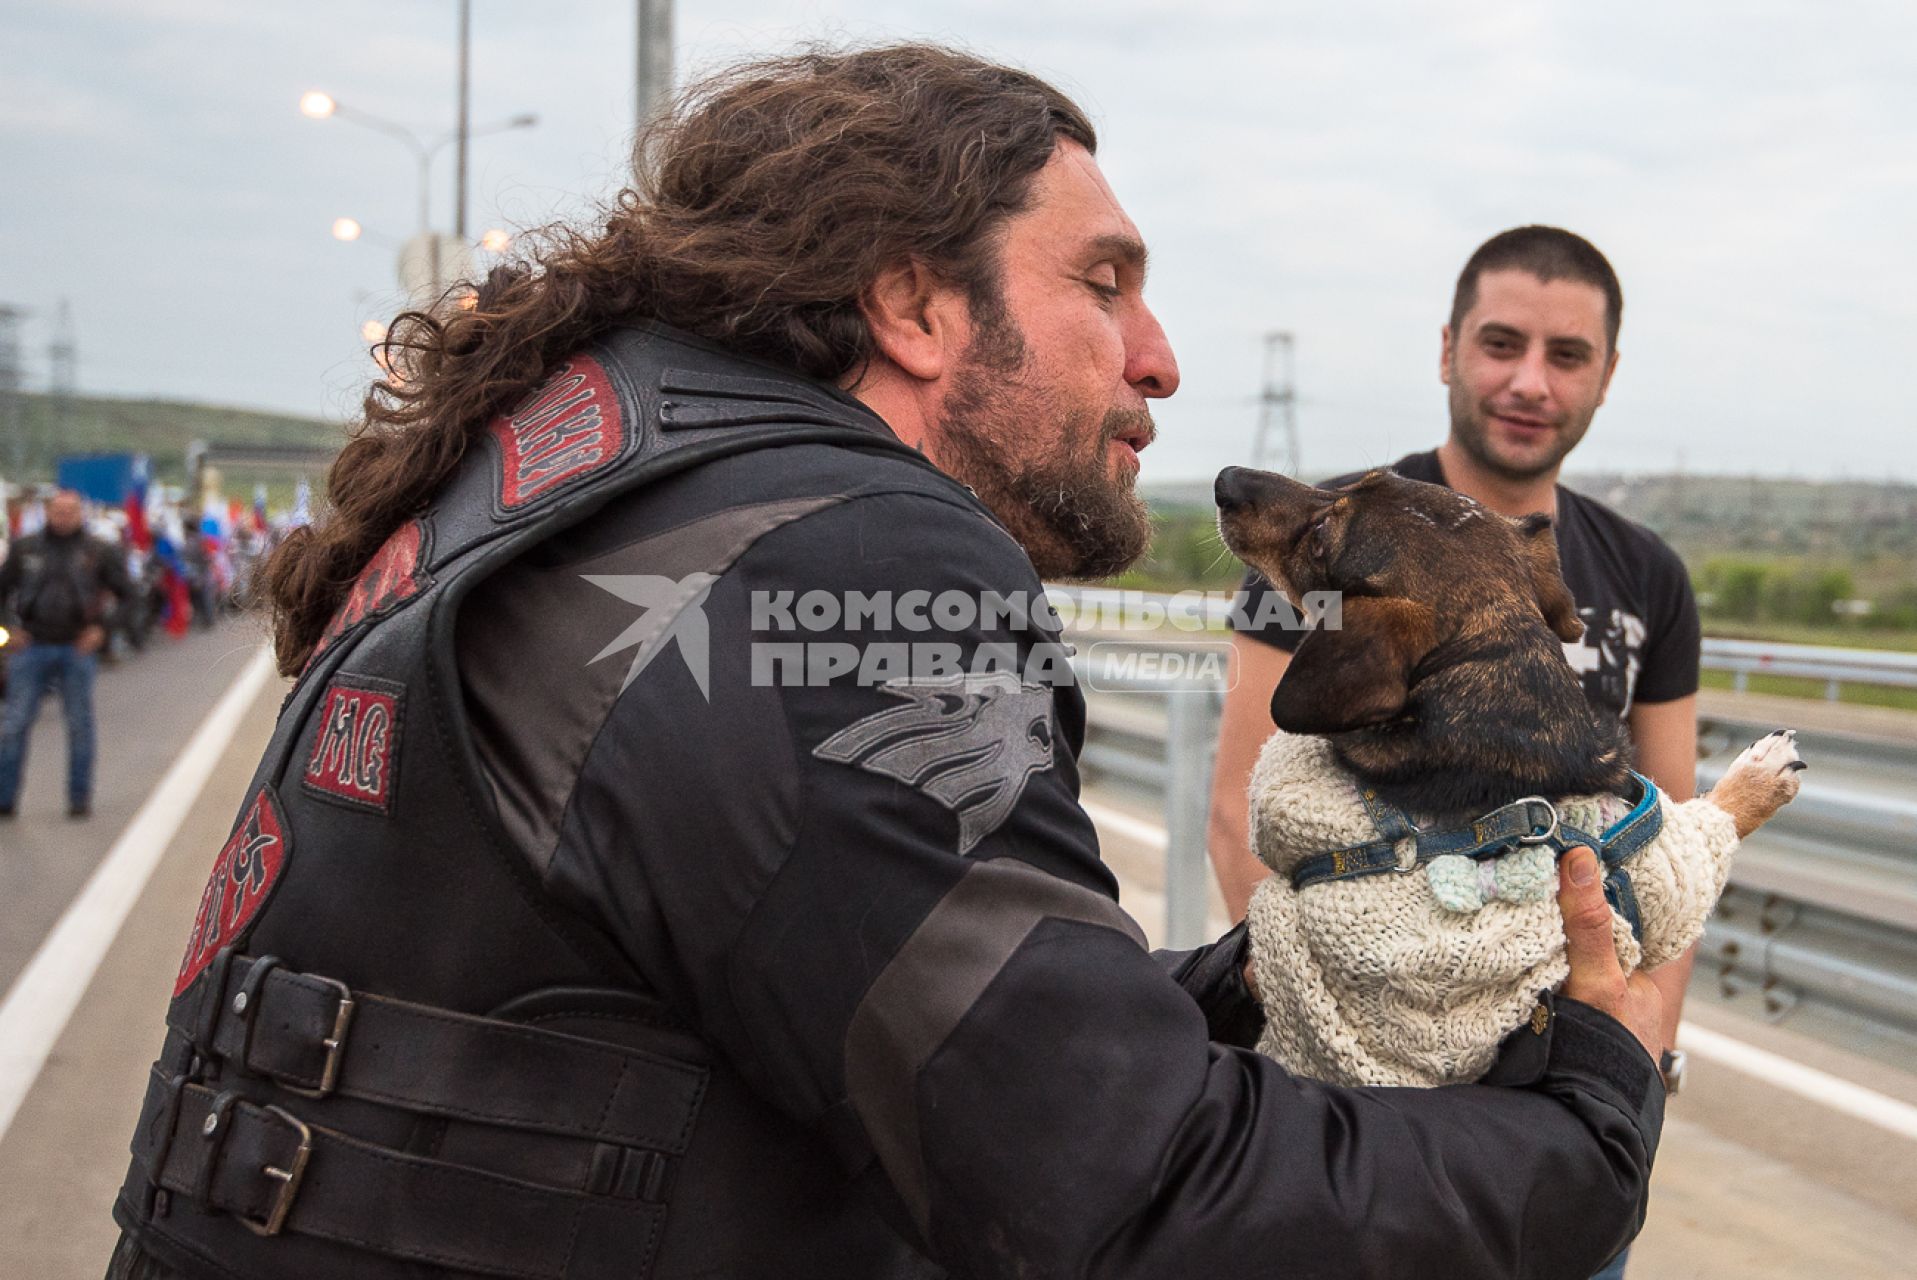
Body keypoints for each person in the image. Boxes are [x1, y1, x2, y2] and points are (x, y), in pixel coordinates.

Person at [109, 49, 1665, 1280]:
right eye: (1103, 284)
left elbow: (885, 1007)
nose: (1159, 357)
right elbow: (1123, 1204)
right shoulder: (839, 558)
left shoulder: (594, 472)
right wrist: (1585, 1133)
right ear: (918, 305)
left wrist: (1256, 980)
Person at [1207, 225, 1702, 1279]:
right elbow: (1244, 808)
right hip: (1359, 1093)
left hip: (1559, 1100)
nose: (1529, 380)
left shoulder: (1647, 571)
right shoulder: (1335, 534)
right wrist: (1334, 1047)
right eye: (1500, 342)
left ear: (1607, 376)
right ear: (1447, 350)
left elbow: (1666, 824)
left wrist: (1633, 1060)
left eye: (1567, 355)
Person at [0, 489, 133, 819]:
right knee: (14, 724)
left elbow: (129, 596)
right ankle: (5, 798)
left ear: (80, 514)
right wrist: (7, 634)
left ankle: (79, 798)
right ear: (48, 512)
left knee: (79, 725)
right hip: (31, 647)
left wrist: (103, 631)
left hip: (77, 648)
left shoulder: (97, 551)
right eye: (57, 511)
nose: (63, 517)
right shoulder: (25, 549)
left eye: (70, 511)